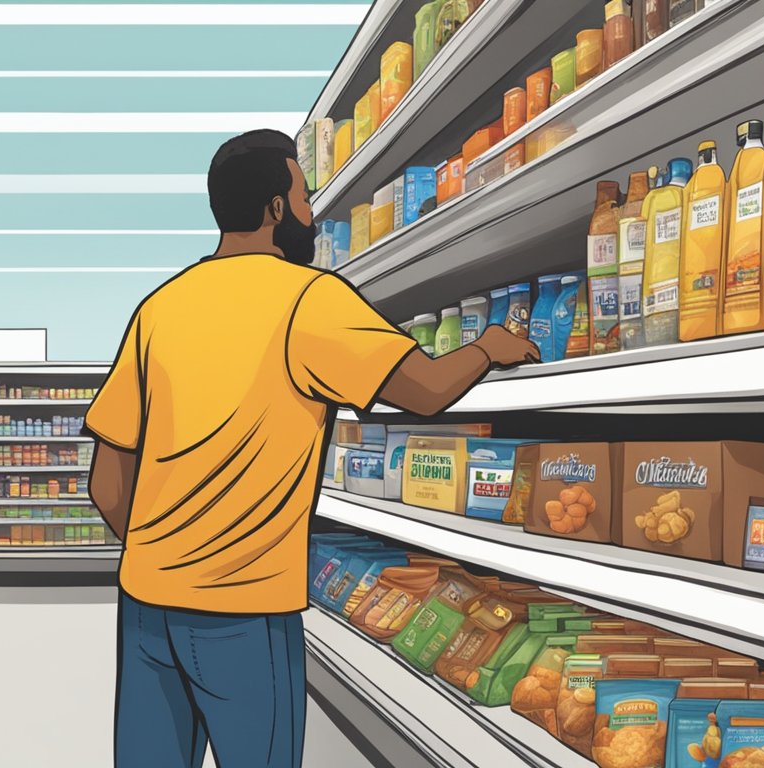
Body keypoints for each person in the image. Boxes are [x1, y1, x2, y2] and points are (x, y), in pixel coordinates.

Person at [84, 129, 539, 768]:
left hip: (145, 608)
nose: (310, 211)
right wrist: (488, 347)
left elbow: (107, 482)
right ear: (276, 208)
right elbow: (428, 390)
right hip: (245, 612)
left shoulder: (158, 309)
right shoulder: (308, 299)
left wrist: (165, 556)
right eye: (303, 195)